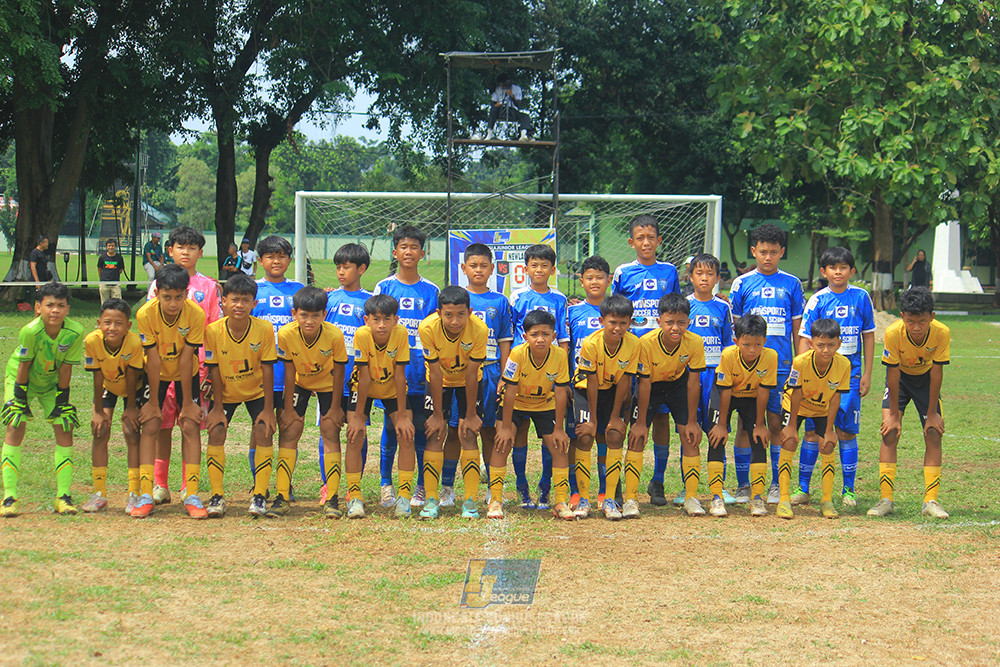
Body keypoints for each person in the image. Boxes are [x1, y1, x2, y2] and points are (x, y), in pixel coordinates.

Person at [728, 223, 805, 504]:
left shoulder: (792, 284)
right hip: (746, 367)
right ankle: (743, 484)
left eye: (773, 252)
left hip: (782, 366)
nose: (768, 257)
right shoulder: (742, 283)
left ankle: (775, 483)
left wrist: (799, 364)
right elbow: (734, 328)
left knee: (775, 424)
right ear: (754, 251)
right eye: (762, 252)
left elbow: (798, 328)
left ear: (782, 252)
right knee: (745, 426)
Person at [793, 247, 875, 508]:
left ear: (852, 271)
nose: (838, 272)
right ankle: (803, 488)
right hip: (817, 377)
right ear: (824, 271)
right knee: (812, 432)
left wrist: (867, 374)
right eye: (833, 267)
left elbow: (869, 335)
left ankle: (848, 490)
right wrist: (805, 373)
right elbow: (805, 338)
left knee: (846, 431)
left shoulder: (861, 297)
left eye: (843, 267)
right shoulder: (817, 300)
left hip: (850, 374)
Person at [146, 226, 222, 505]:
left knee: (190, 425)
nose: (185, 252)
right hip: (164, 367)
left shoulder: (209, 287)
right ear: (170, 250)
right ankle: (160, 484)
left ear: (200, 253)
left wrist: (210, 369)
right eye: (180, 247)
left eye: (191, 248)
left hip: (196, 369)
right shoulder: (157, 285)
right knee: (163, 425)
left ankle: (187, 486)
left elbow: (214, 329)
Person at [612, 215, 680, 507]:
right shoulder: (623, 272)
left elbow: (674, 308)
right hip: (631, 352)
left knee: (660, 416)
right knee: (628, 414)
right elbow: (615, 310)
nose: (646, 242)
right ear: (631, 242)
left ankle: (659, 479)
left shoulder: (670, 271)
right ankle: (620, 485)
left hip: (661, 355)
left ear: (659, 241)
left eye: (651, 237)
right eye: (640, 238)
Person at [0, 282, 84, 517]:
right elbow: (24, 364)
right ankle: (9, 497)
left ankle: (63, 496)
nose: (54, 310)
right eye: (49, 305)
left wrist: (62, 400)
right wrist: (18, 398)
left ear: (68, 309)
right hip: (21, 379)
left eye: (60, 305)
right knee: (15, 424)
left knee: (64, 426)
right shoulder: (30, 331)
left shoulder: (75, 332)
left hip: (50, 383)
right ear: (38, 307)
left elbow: (67, 367)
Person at [868, 287, 951, 519]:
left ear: (931, 318)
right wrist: (893, 413)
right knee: (890, 432)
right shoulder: (893, 333)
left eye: (922, 321)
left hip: (926, 381)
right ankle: (886, 499)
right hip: (900, 380)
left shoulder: (942, 333)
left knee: (934, 432)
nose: (916, 327)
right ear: (902, 316)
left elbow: (937, 373)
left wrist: (933, 412)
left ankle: (931, 501)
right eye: (911, 321)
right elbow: (892, 374)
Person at [133, 264, 208, 519]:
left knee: (190, 424)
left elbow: (188, 359)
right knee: (152, 424)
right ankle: (146, 493)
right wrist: (153, 401)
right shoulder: (145, 314)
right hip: (156, 374)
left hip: (187, 373)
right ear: (157, 294)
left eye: (178, 297)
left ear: (186, 293)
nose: (173, 303)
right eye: (167, 297)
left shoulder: (195, 314)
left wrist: (188, 403)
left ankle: (193, 493)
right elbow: (152, 360)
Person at [373, 226, 438, 510]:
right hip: (390, 373)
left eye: (414, 247)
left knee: (421, 430)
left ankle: (421, 487)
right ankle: (386, 484)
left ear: (423, 253)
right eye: (403, 246)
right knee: (391, 427)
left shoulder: (431, 291)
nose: (408, 251)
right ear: (395, 251)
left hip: (420, 373)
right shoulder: (384, 287)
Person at [203, 274, 277, 518]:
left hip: (256, 391)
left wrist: (268, 409)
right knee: (216, 430)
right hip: (226, 392)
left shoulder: (264, 329)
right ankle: (217, 496)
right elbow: (213, 368)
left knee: (263, 430)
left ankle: (259, 494)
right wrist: (216, 407)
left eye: (246, 300)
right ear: (223, 302)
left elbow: (267, 368)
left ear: (254, 304)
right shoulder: (213, 331)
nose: (239, 305)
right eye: (234, 300)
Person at [626, 294, 706, 518]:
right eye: (670, 322)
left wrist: (692, 421)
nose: (675, 328)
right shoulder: (646, 343)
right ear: (659, 320)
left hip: (677, 385)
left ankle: (691, 497)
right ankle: (631, 498)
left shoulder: (695, 342)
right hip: (650, 386)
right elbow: (643, 384)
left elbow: (693, 382)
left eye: (681, 322)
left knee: (689, 436)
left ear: (688, 322)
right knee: (637, 437)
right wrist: (640, 422)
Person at [491, 310, 573, 520]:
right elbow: (509, 390)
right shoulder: (517, 353)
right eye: (534, 334)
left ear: (554, 336)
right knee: (501, 443)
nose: (540, 339)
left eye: (545, 334)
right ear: (525, 336)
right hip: (516, 403)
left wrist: (559, 429)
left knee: (559, 447)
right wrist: (507, 426)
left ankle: (561, 501)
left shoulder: (560, 355)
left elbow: (561, 391)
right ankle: (495, 500)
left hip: (545, 405)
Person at [278, 287, 348, 518]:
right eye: (304, 315)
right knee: (290, 430)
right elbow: (288, 372)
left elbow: (340, 371)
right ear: (294, 313)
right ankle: (282, 496)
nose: (310, 320)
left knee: (330, 431)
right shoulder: (286, 334)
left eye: (315, 315)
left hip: (328, 384)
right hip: (300, 383)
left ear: (324, 315)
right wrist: (288, 408)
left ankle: (332, 498)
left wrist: (336, 408)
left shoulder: (335, 335)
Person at [419, 286, 488, 519]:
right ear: (439, 312)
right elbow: (436, 373)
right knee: (435, 433)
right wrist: (438, 414)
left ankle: (469, 501)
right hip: (440, 381)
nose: (455, 321)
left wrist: (470, 414)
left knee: (468, 433)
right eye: (448, 315)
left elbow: (472, 373)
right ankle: (431, 499)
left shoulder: (480, 329)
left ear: (470, 311)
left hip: (469, 381)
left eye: (461, 314)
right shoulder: (427, 328)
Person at [509, 243, 569, 510]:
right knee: (517, 433)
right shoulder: (516, 296)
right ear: (525, 269)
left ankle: (546, 488)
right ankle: (522, 488)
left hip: (549, 374)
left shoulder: (560, 299)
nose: (539, 269)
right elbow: (510, 337)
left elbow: (564, 340)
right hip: (521, 371)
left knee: (551, 438)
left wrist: (560, 372)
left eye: (545, 265)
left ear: (553, 269)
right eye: (534, 265)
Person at [345, 294, 414, 519]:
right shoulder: (361, 335)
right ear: (367, 320)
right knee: (355, 435)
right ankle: (354, 496)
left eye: (387, 319)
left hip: (391, 388)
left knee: (406, 433)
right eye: (376, 319)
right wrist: (357, 416)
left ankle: (404, 497)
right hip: (363, 389)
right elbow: (363, 378)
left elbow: (400, 375)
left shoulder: (401, 334)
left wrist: (402, 415)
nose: (381, 325)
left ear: (396, 319)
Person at [455, 244, 514, 506]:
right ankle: (448, 486)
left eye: (483, 266)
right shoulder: (456, 297)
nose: (478, 270)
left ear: (492, 269)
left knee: (490, 430)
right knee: (460, 428)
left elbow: (504, 342)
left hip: (490, 371)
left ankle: (493, 487)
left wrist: (504, 376)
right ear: (463, 268)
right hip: (461, 372)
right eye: (473, 265)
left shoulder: (500, 302)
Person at [776, 318, 851, 520]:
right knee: (789, 441)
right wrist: (791, 426)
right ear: (811, 344)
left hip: (821, 409)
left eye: (831, 345)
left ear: (839, 344)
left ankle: (826, 500)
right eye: (820, 345)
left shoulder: (844, 364)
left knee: (827, 445)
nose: (826, 350)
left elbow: (836, 397)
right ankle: (783, 499)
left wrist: (829, 430)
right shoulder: (800, 362)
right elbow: (796, 393)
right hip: (795, 406)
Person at [573, 294, 638, 521]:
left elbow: (625, 381)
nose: (618, 328)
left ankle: (609, 498)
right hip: (586, 390)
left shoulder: (634, 343)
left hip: (613, 391)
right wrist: (592, 420)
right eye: (613, 322)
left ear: (630, 322)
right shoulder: (591, 343)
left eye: (623, 323)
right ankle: (583, 498)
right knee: (584, 436)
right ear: (602, 321)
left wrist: (614, 417)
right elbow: (590, 381)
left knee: (613, 435)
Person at [248, 235, 303, 500]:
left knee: (288, 427)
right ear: (260, 261)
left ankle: (285, 484)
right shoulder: (252, 290)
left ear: (289, 260)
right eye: (270, 256)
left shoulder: (298, 290)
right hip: (260, 374)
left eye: (281, 256)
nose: (276, 261)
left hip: (292, 374)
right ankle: (260, 483)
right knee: (260, 428)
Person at [679, 253, 735, 507]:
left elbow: (727, 345)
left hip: (714, 377)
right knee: (688, 432)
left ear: (717, 279)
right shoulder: (683, 305)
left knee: (716, 432)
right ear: (690, 277)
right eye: (699, 273)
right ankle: (687, 488)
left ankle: (718, 489)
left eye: (709, 274)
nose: (704, 278)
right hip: (689, 375)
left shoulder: (724, 308)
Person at [707, 314, 777, 517]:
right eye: (746, 345)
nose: (752, 350)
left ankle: (756, 497)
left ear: (765, 340)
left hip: (751, 397)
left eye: (757, 344)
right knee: (716, 438)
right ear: (736, 341)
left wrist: (759, 424)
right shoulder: (728, 355)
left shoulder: (770, 356)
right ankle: (716, 497)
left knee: (759, 438)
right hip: (724, 395)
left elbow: (764, 390)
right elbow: (726, 390)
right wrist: (721, 424)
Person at [82, 298, 145, 514]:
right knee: (100, 431)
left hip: (134, 387)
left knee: (131, 431)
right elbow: (97, 378)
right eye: (107, 322)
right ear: (99, 323)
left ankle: (134, 493)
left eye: (119, 323)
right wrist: (98, 411)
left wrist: (130, 409)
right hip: (109, 385)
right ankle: (99, 494)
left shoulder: (134, 342)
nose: (112, 328)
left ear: (128, 326)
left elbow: (132, 375)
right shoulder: (91, 341)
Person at [322, 243, 373, 506]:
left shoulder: (370, 302)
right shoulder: (329, 299)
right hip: (330, 377)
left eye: (347, 267)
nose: (341, 272)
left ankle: (355, 485)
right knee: (328, 429)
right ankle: (326, 486)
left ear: (361, 269)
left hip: (358, 379)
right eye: (338, 267)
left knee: (357, 431)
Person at [567, 255, 614, 515]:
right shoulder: (572, 311)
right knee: (580, 436)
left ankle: (605, 490)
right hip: (579, 384)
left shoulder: (614, 311)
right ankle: (577, 491)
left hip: (609, 384)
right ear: (581, 280)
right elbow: (565, 347)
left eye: (600, 278)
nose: (595, 282)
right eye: (589, 278)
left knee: (605, 435)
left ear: (608, 280)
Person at [480, 75, 534, 141]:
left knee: (525, 116)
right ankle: (489, 133)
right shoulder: (498, 89)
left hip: (512, 109)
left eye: (504, 85)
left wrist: (512, 96)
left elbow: (518, 104)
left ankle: (524, 135)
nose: (502, 86)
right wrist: (497, 104)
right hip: (500, 110)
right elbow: (493, 103)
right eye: (501, 85)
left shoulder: (517, 89)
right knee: (493, 110)